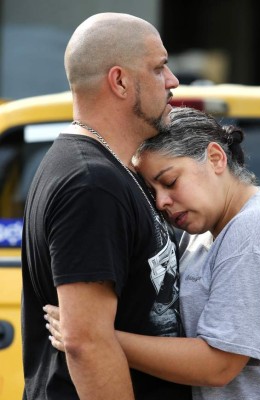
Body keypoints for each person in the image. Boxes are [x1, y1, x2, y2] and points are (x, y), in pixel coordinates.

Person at [45, 106, 260, 399]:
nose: (161, 202)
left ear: (215, 158)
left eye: (170, 182)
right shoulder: (202, 232)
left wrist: (95, 337)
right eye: (152, 191)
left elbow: (219, 366)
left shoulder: (256, 230)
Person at [21, 12, 192, 400]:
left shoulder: (111, 171)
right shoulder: (91, 184)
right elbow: (86, 344)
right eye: (159, 68)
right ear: (120, 81)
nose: (172, 81)